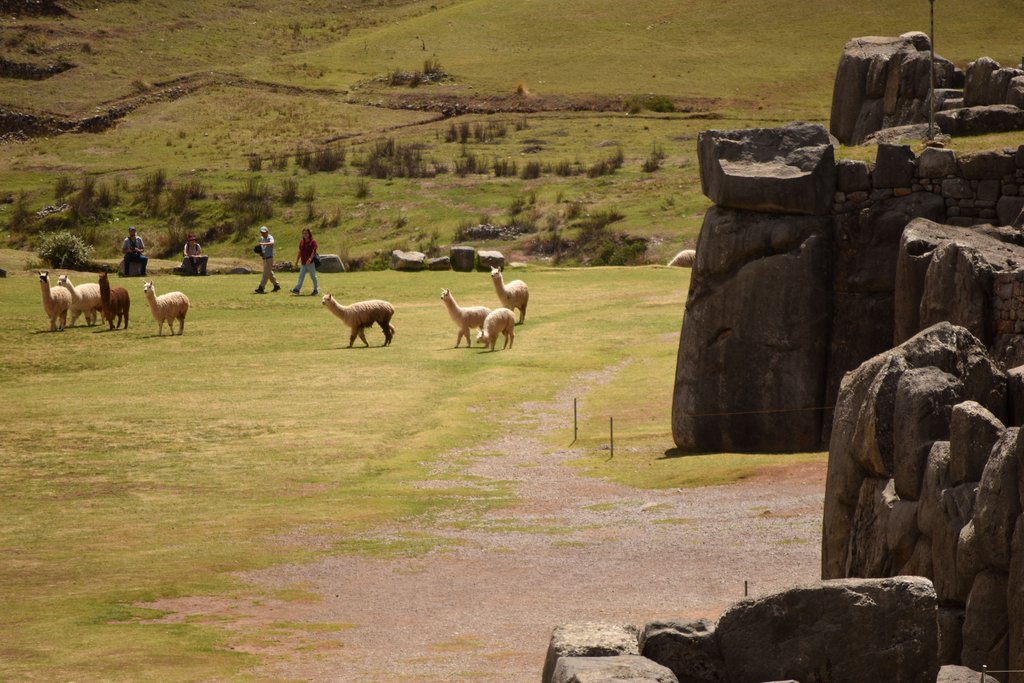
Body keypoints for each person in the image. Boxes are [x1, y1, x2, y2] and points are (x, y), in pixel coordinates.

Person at [290, 227, 319, 296]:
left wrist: (310, 259)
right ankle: (297, 289)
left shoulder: (313, 242)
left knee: (313, 277)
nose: (305, 234)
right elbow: (300, 252)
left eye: (306, 233)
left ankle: (316, 290)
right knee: (301, 276)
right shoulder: (302, 242)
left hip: (310, 263)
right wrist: (297, 261)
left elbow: (313, 252)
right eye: (303, 233)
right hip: (303, 263)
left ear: (309, 234)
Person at [254, 225, 280, 293]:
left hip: (269, 258)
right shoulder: (262, 238)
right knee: (269, 273)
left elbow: (272, 243)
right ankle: (276, 285)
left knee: (265, 274)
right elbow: (263, 248)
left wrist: (263, 243)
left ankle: (261, 288)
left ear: (267, 232)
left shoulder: (270, 237)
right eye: (261, 232)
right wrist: (261, 252)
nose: (262, 233)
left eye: (264, 232)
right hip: (264, 258)